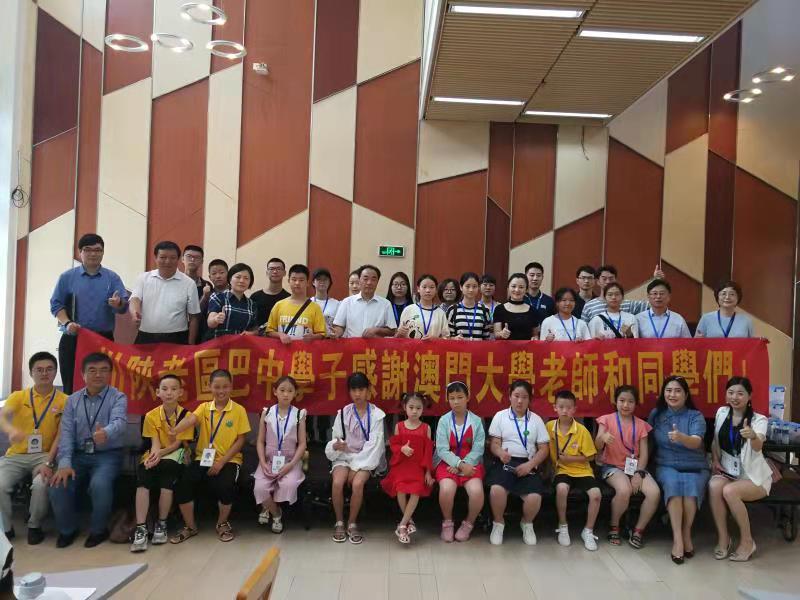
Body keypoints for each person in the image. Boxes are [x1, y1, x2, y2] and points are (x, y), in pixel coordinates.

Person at [48, 352, 127, 548]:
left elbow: (120, 422)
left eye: (103, 370)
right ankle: (67, 530)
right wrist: (64, 464)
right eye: (92, 370)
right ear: (83, 374)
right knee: (58, 484)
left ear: (110, 374)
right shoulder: (72, 400)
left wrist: (106, 432)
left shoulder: (118, 397)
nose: (98, 375)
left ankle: (99, 530)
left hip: (108, 455)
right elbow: (66, 434)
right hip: (78, 455)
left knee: (100, 484)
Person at [169, 369, 251, 544]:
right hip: (203, 458)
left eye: (225, 387)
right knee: (183, 483)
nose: (221, 391)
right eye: (217, 387)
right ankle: (190, 526)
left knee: (226, 486)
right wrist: (176, 429)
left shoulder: (239, 410)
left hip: (229, 460)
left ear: (231, 387)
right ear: (209, 387)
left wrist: (221, 462)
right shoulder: (204, 408)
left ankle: (222, 523)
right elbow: (191, 420)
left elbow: (241, 440)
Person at [0, 352, 68, 544]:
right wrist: (11, 430)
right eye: (39, 369)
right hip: (16, 455)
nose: (44, 373)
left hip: (45, 455)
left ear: (55, 372)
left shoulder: (65, 400)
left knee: (41, 484)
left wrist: (49, 462)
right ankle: (6, 528)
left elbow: (61, 435)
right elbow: (2, 417)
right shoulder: (18, 396)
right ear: (31, 373)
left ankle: (34, 526)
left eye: (49, 369)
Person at [50, 233, 128, 393]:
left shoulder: (112, 278)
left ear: (103, 252)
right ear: (80, 252)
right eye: (88, 249)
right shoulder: (67, 277)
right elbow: (56, 305)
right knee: (71, 385)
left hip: (103, 340)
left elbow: (124, 307)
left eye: (98, 250)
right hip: (73, 338)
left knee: (103, 385)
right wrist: (67, 323)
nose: (93, 253)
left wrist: (118, 303)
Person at [648, 375, 709, 564]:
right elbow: (647, 441)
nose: (672, 395)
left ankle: (686, 532)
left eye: (677, 391)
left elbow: (697, 442)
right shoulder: (656, 415)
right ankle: (677, 539)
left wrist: (682, 437)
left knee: (690, 486)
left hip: (695, 464)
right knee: (673, 484)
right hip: (666, 464)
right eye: (668, 390)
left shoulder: (695, 416)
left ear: (686, 394)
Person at [708, 377, 771, 562]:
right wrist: (715, 459)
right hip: (728, 471)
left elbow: (758, 447)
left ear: (749, 396)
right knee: (714, 486)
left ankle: (747, 541)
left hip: (753, 476)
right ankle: (723, 538)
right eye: (731, 393)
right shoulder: (721, 412)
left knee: (729, 491)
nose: (735, 397)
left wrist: (753, 436)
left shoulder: (759, 420)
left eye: (740, 393)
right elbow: (715, 442)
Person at [130, 374, 194, 553]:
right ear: (158, 392)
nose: (169, 393)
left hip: (175, 454)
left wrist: (161, 454)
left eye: (174, 389)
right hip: (157, 452)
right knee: (143, 475)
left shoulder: (186, 415)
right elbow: (155, 442)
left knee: (167, 476)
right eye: (165, 389)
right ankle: (141, 527)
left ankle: (162, 523)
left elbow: (177, 444)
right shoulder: (150, 416)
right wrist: (154, 456)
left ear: (180, 393)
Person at [594, 385, 659, 548]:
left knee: (654, 493)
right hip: (612, 466)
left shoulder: (642, 425)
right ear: (615, 401)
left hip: (635, 467)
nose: (625, 405)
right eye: (622, 400)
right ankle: (614, 526)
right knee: (624, 490)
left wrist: (639, 473)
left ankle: (638, 531)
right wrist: (602, 438)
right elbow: (596, 447)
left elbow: (644, 454)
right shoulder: (606, 420)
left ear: (636, 404)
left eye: (630, 401)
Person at [325, 372, 387, 544]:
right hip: (345, 456)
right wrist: (336, 446)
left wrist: (356, 466)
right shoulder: (343, 413)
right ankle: (339, 522)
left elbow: (375, 447)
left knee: (358, 483)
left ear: (368, 391)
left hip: (366, 459)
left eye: (361, 390)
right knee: (338, 482)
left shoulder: (376, 415)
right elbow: (336, 438)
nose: (357, 394)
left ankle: (352, 523)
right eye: (354, 390)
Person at [487, 380, 550, 546]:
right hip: (505, 462)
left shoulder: (536, 420)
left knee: (534, 497)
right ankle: (498, 523)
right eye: (516, 396)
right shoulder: (500, 416)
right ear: (509, 396)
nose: (520, 401)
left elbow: (544, 449)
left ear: (530, 399)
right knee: (496, 490)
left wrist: (530, 465)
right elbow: (494, 444)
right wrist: (500, 453)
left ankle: (527, 524)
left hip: (528, 463)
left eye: (524, 397)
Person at [547, 390, 601, 551]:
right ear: (554, 408)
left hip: (583, 471)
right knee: (561, 489)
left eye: (569, 407)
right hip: (562, 470)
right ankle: (563, 526)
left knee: (596, 495)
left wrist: (570, 459)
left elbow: (591, 457)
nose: (565, 411)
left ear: (575, 409)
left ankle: (588, 530)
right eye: (561, 407)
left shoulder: (582, 430)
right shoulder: (549, 427)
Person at [254, 376, 307, 534]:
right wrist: (263, 462)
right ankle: (276, 513)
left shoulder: (299, 415)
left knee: (288, 485)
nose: (285, 394)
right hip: (269, 460)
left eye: (290, 391)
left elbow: (302, 444)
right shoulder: (267, 413)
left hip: (290, 461)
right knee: (260, 488)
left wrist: (291, 465)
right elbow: (260, 441)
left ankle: (266, 508)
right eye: (282, 390)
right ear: (275, 391)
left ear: (295, 393)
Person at [435, 381, 485, 543]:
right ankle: (447, 522)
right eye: (452, 398)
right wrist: (458, 464)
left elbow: (478, 448)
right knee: (447, 489)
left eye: (460, 397)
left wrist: (464, 465)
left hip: (471, 462)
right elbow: (442, 449)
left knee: (476, 492)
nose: (456, 402)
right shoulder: (443, 421)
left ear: (468, 397)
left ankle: (468, 523)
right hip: (447, 462)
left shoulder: (476, 421)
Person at [381, 392, 434, 544]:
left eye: (418, 408)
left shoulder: (426, 428)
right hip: (401, 466)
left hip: (417, 467)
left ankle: (402, 524)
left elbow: (428, 452)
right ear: (405, 407)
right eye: (411, 407)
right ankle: (408, 521)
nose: (414, 411)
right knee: (400, 488)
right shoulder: (399, 426)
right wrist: (402, 448)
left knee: (416, 490)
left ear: (423, 409)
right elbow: (395, 446)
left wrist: (428, 472)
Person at [130, 241, 201, 344]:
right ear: (155, 258)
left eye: (172, 258)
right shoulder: (143, 278)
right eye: (163, 257)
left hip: (177, 338)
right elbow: (135, 298)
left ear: (178, 259)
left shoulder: (189, 283)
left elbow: (194, 317)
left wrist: (190, 345)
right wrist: (134, 312)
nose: (167, 261)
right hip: (146, 337)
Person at [581, 264, 663, 323]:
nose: (608, 282)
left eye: (611, 278)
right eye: (604, 279)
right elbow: (583, 331)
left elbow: (652, 304)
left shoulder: (627, 304)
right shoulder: (589, 306)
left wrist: (656, 280)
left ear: (615, 281)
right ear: (598, 281)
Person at [265, 264, 327, 343]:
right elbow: (269, 331)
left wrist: (313, 337)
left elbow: (322, 334)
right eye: (294, 279)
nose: (297, 283)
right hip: (282, 350)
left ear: (307, 282)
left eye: (301, 280)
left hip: (305, 350)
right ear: (289, 281)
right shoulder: (279, 305)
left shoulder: (315, 307)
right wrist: (280, 335)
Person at [332, 265, 395, 338]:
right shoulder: (347, 302)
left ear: (377, 282)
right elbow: (339, 326)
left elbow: (392, 331)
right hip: (352, 344)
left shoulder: (385, 304)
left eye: (373, 279)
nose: (369, 282)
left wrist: (377, 330)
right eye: (365, 279)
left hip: (376, 345)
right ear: (359, 280)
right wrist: (337, 333)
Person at [206, 263, 258, 338]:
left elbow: (255, 329)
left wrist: (251, 333)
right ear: (230, 279)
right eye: (238, 277)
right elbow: (210, 322)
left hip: (240, 343)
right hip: (219, 343)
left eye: (246, 278)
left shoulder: (252, 304)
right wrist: (216, 319)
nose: (242, 281)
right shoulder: (218, 297)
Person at [396, 275, 450, 339]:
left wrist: (436, 339)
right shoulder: (408, 310)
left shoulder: (440, 313)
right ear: (418, 289)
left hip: (433, 345)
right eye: (424, 287)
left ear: (436, 290)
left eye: (432, 287)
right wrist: (399, 333)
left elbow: (447, 338)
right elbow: (398, 338)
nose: (428, 290)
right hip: (411, 345)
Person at [493, 273, 539, 340]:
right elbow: (496, 334)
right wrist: (501, 334)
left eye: (521, 287)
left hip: (526, 347)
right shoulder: (499, 309)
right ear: (508, 288)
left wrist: (535, 338)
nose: (517, 290)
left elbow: (535, 335)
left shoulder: (532, 310)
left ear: (526, 289)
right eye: (513, 286)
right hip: (505, 346)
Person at [447, 272, 492, 340]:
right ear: (461, 287)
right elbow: (447, 337)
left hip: (478, 347)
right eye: (467, 286)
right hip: (459, 347)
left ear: (478, 288)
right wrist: (454, 338)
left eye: (474, 286)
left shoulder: (484, 310)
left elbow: (486, 338)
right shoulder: (452, 310)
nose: (471, 290)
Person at [251, 258, 290, 328]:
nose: (275, 271)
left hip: (280, 334)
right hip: (257, 335)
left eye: (278, 269)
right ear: (267, 272)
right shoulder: (255, 297)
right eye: (271, 269)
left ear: (284, 273)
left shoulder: (289, 298)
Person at [312, 268, 340, 336]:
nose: (322, 282)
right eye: (318, 279)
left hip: (330, 339)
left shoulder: (337, 304)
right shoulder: (308, 303)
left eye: (325, 279)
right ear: (313, 282)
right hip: (312, 339)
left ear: (329, 282)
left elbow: (339, 326)